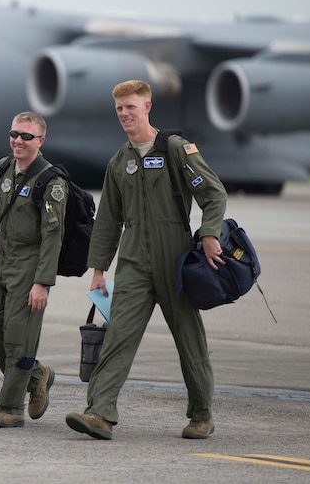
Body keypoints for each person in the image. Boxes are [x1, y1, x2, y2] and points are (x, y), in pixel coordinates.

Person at [65, 80, 227, 440]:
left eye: (131, 107)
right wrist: (98, 271)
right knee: (117, 336)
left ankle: (201, 414)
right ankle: (100, 413)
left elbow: (213, 194)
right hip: (134, 261)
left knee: (189, 340)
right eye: (119, 109)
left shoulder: (175, 149)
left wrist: (209, 233)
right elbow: (107, 220)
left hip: (175, 258)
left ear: (147, 107)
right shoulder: (119, 162)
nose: (125, 114)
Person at [0, 111, 67, 428]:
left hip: (30, 262)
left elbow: (54, 236)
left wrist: (43, 282)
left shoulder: (51, 182)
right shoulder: (2, 169)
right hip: (1, 261)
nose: (18, 141)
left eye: (26, 136)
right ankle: (38, 376)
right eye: (14, 134)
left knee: (17, 339)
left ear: (40, 141)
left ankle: (10, 408)